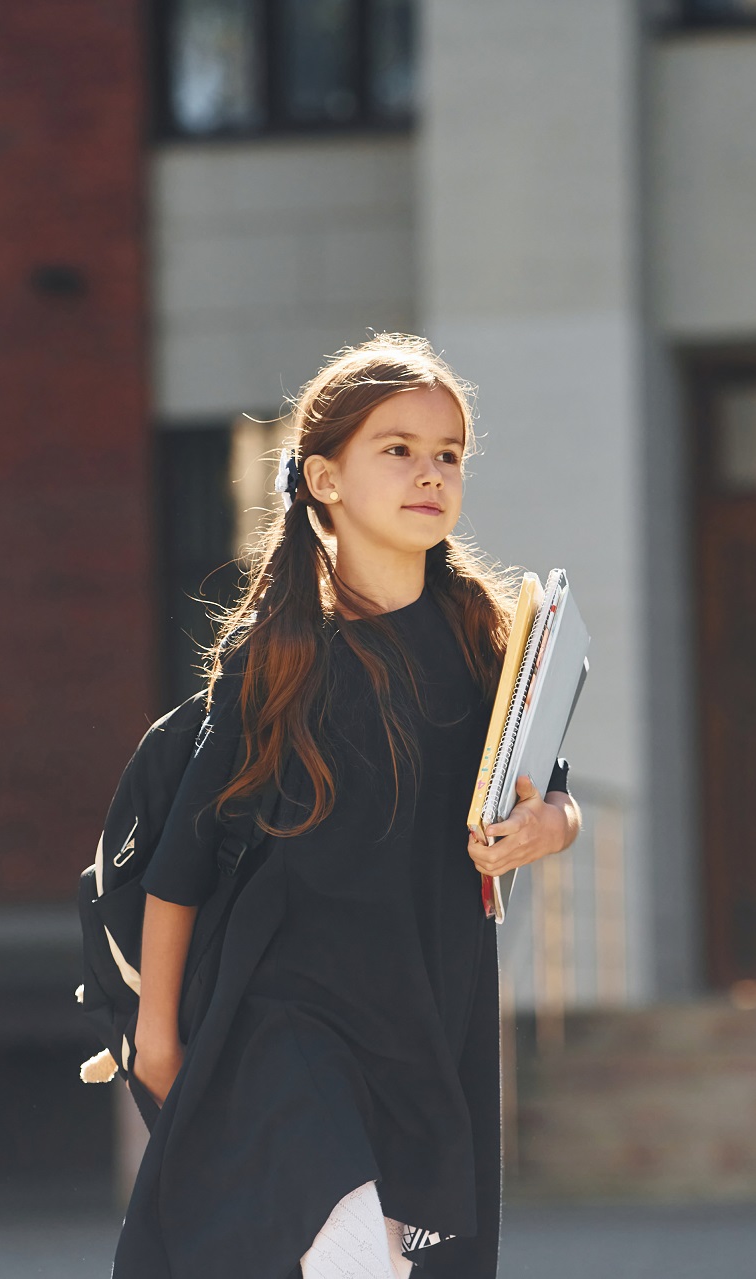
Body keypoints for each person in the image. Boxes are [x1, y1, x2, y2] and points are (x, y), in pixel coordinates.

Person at [113, 335, 582, 1279]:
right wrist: (157, 1036)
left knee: (406, 1262)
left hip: (429, 1008)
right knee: (354, 1256)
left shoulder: (490, 637)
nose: (430, 472)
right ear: (324, 478)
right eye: (397, 448)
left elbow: (555, 796)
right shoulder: (279, 655)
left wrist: (543, 829)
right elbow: (184, 857)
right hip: (286, 1016)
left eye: (449, 453)